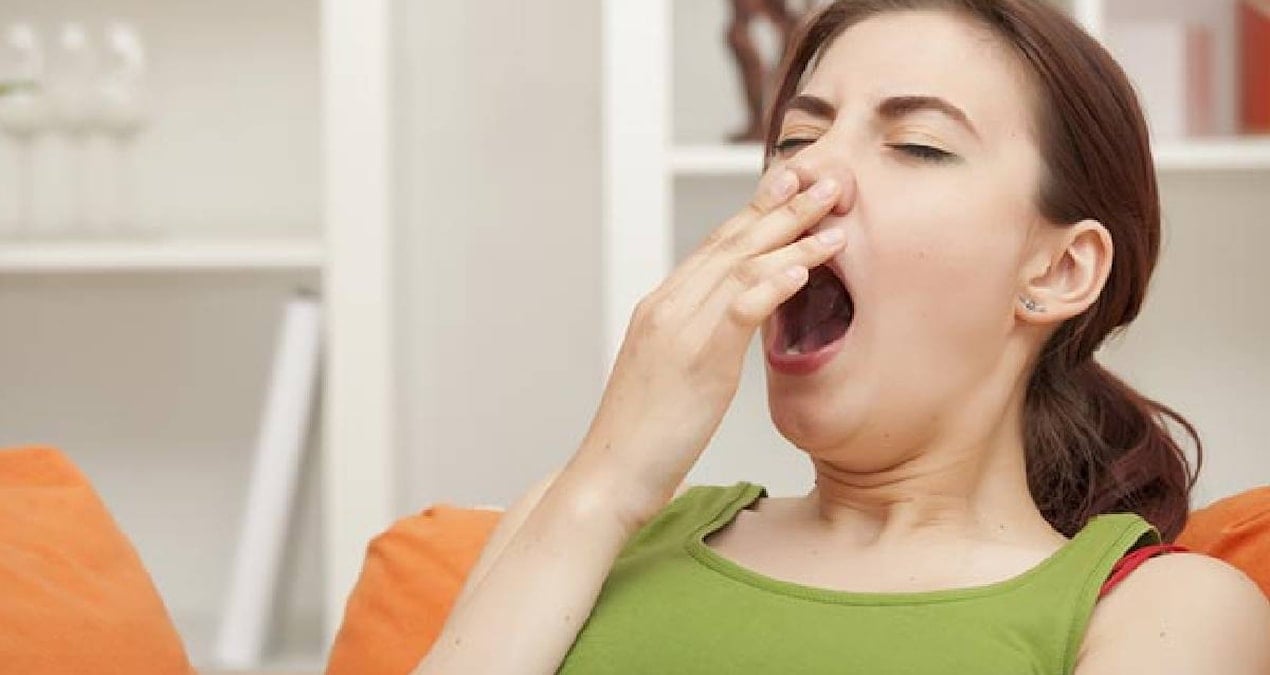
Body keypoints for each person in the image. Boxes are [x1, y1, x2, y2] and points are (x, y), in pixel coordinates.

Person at [415, 1, 1270, 672]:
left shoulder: (1168, 612)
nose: (805, 173)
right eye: (795, 137)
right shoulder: (578, 524)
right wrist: (608, 478)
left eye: (917, 145)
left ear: (1059, 270)